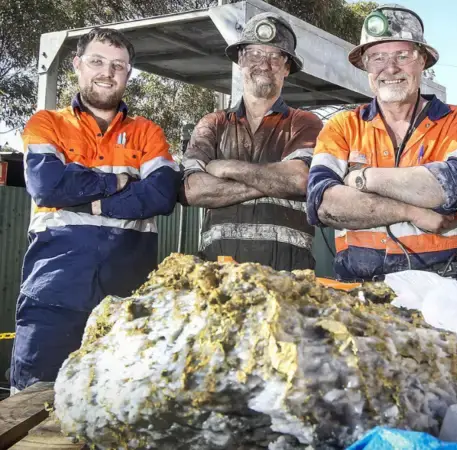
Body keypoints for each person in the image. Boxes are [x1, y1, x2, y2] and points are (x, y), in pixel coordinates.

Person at [11, 28, 180, 392]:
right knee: (31, 407)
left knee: (121, 406)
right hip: (53, 294)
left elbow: (163, 195)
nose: (108, 72)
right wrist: (118, 182)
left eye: (118, 65)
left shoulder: (147, 133)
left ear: (128, 74)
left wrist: (89, 196)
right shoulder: (47, 124)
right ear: (77, 65)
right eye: (97, 61)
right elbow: (47, 186)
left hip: (127, 302)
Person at [306, 4, 457, 283]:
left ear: (422, 60)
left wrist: (361, 178)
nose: (390, 68)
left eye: (403, 55)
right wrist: (410, 210)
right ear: (365, 65)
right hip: (359, 289)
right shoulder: (342, 126)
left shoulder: (455, 120)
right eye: (377, 57)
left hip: (446, 286)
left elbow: (451, 189)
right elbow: (322, 204)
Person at [181, 13, 323, 270]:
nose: (264, 64)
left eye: (275, 56)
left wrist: (226, 168)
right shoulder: (213, 123)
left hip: (290, 279)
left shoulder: (305, 123)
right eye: (255, 54)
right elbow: (192, 190)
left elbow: (301, 180)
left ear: (287, 67)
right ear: (240, 60)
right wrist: (276, 181)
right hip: (217, 276)